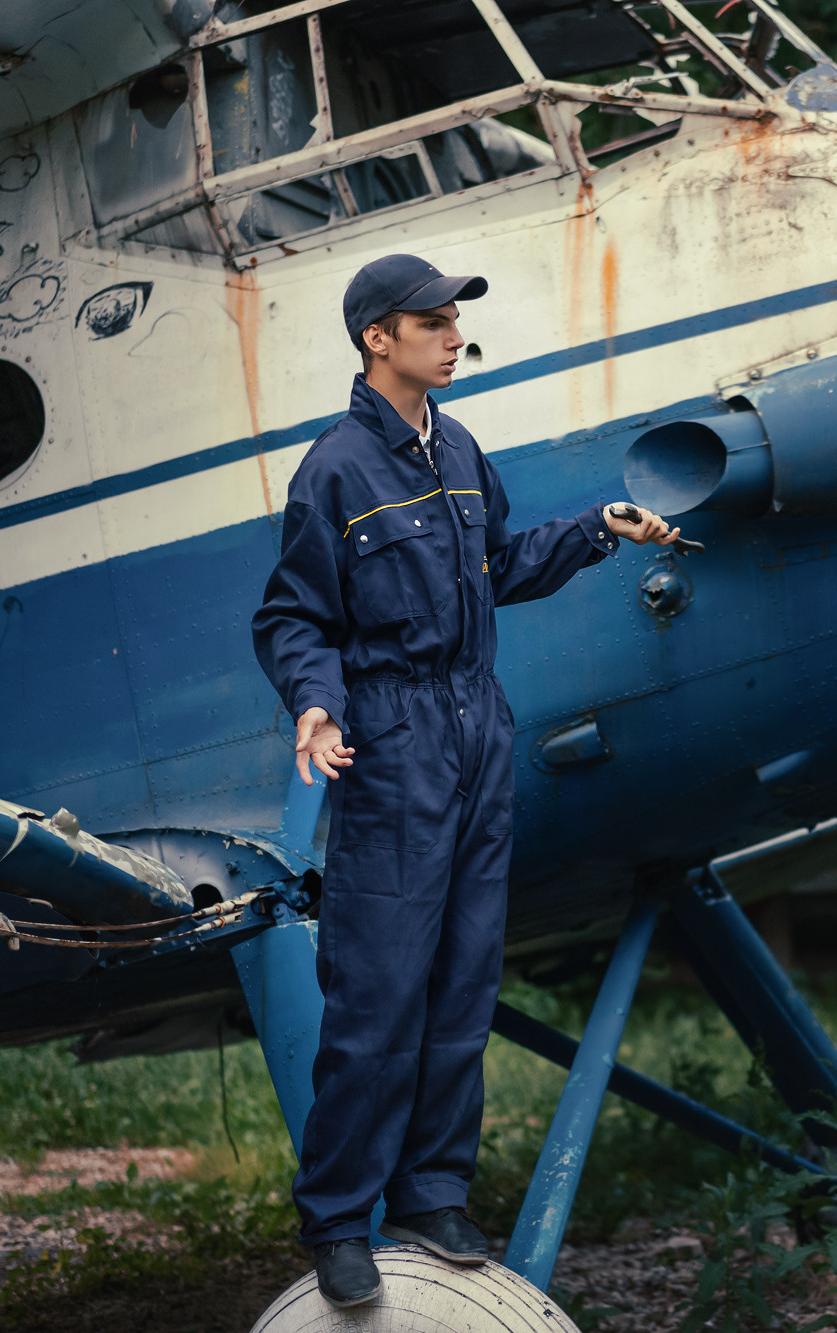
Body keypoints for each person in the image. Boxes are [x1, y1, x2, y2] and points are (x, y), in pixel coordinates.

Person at [252, 254, 680, 1308]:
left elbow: (499, 567)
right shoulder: (334, 470)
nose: (453, 336)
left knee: (463, 978)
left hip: (476, 727)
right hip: (394, 740)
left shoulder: (459, 449)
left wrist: (596, 530)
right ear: (377, 338)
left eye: (454, 320)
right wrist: (316, 703)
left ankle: (433, 1192)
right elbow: (292, 615)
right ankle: (338, 1217)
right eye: (432, 321)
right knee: (380, 987)